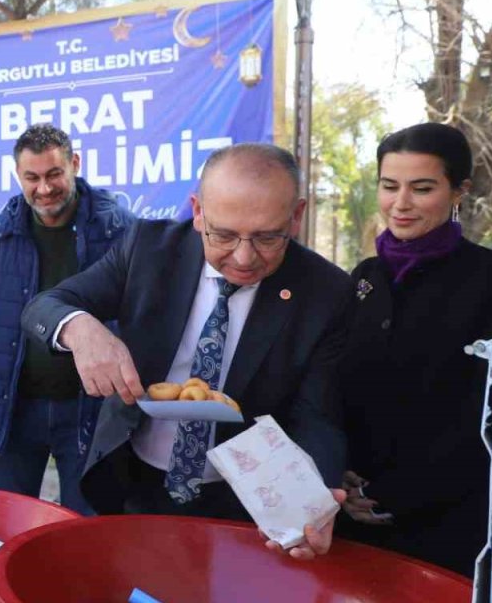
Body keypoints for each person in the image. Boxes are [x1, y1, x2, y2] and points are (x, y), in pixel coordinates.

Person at [21, 143, 352, 560]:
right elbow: (44, 306)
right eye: (225, 234)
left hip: (245, 500)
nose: (244, 257)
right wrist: (79, 328)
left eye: (269, 237)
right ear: (197, 211)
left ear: (297, 216)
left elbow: (318, 415)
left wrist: (314, 501)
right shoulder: (148, 249)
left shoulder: (324, 292)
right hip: (133, 480)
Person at [338, 123, 492, 576]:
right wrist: (340, 476)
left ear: (458, 190)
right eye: (389, 186)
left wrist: (399, 494)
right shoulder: (364, 277)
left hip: (447, 524)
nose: (400, 204)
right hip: (352, 516)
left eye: (421, 188)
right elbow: (340, 387)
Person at [0, 125, 133, 514]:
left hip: (90, 410)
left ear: (75, 164)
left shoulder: (120, 229)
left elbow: (139, 320)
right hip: (16, 407)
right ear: (18, 176)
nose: (44, 188)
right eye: (32, 177)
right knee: (8, 528)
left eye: (54, 174)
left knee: (85, 531)